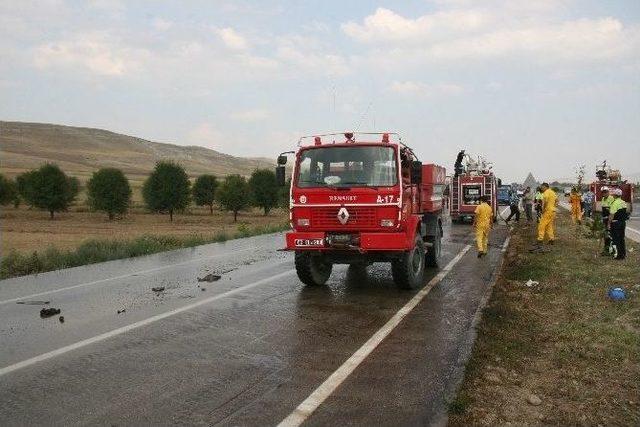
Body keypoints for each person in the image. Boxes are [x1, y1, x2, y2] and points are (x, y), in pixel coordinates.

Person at [531, 182, 557, 251]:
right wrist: (553, 206)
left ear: (545, 186)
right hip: (553, 211)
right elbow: (557, 200)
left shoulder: (546, 193)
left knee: (541, 225)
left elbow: (544, 202)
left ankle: (540, 240)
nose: (541, 188)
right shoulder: (553, 192)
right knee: (549, 226)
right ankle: (551, 239)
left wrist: (543, 210)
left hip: (547, 211)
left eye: (542, 187)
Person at [608, 188, 628, 260]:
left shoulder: (615, 203)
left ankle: (618, 256)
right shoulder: (623, 202)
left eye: (613, 194)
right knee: (622, 239)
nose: (612, 195)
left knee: (616, 239)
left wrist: (608, 224)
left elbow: (611, 215)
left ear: (615, 195)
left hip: (616, 223)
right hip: (623, 223)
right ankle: (623, 254)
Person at [600, 187, 614, 255]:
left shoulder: (611, 199)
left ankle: (611, 250)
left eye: (605, 192)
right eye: (603, 192)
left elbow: (612, 211)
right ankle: (606, 250)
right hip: (604, 220)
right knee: (605, 235)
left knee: (610, 235)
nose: (604, 193)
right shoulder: (603, 199)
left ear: (608, 192)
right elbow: (603, 210)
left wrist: (609, 220)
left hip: (609, 220)